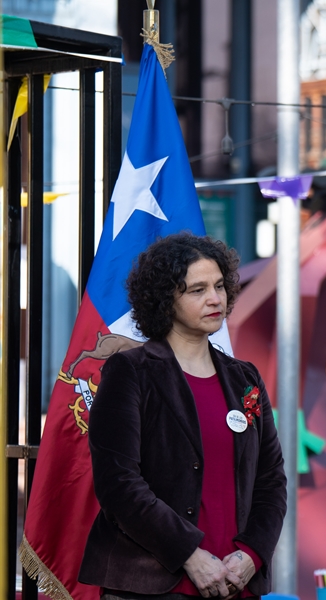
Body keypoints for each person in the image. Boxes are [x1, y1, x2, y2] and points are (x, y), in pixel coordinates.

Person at [80, 233, 286, 598]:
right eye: (197, 290)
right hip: (153, 582)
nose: (215, 298)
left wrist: (253, 554)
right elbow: (119, 484)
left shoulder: (245, 377)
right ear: (165, 300)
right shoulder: (131, 371)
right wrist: (189, 554)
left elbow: (271, 481)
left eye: (220, 286)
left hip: (236, 580)